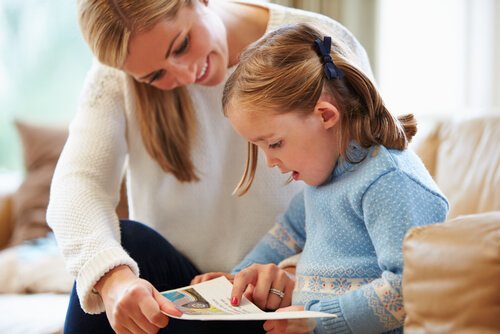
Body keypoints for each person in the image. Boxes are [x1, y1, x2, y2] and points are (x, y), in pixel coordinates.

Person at [46, 0, 375, 333]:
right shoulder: (120, 72)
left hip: (283, 299)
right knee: (128, 243)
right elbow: (77, 184)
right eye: (155, 75)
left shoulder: (318, 45)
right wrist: (113, 280)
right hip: (187, 295)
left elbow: (363, 201)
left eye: (182, 45)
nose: (185, 74)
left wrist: (293, 273)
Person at [217, 23, 449, 333]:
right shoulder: (327, 176)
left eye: (274, 143)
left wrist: (318, 320)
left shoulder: (388, 180)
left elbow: (409, 289)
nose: (270, 160)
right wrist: (236, 280)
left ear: (326, 115)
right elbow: (286, 232)